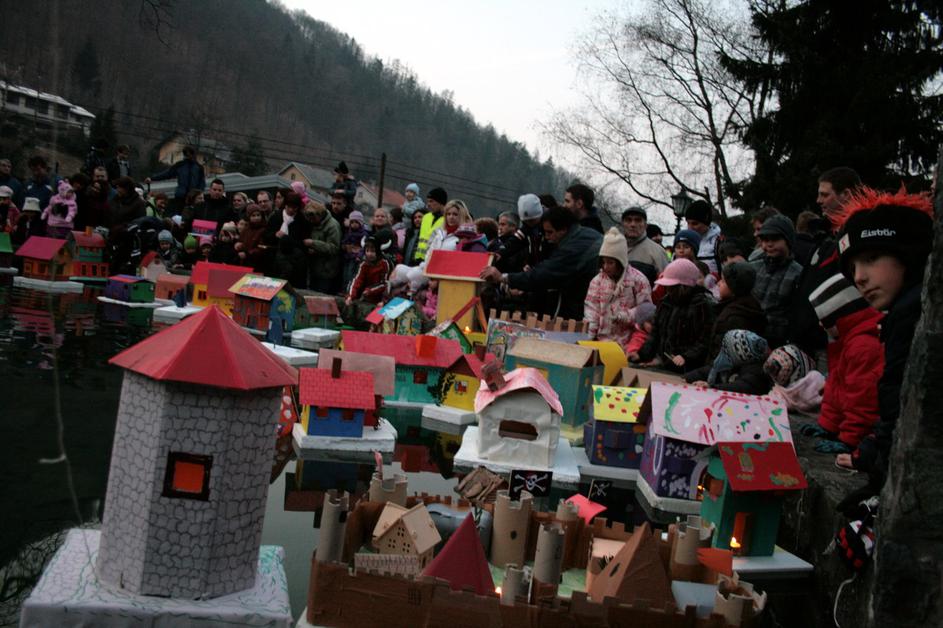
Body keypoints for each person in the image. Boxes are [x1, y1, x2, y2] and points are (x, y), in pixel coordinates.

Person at [832, 187, 934, 492]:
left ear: (907, 255)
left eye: (872, 258)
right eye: (853, 268)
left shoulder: (911, 315)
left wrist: (878, 472)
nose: (859, 277)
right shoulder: (907, 311)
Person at [479, 206, 603, 320]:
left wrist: (503, 277)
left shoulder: (572, 249)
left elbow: (544, 274)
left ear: (563, 230)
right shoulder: (585, 234)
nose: (546, 237)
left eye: (550, 232)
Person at [801, 286, 883, 454]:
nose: (820, 324)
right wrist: (828, 425)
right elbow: (836, 388)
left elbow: (862, 399)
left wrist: (850, 440)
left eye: (824, 318)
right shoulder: (846, 341)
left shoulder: (863, 347)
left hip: (865, 435)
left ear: (838, 317)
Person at [633, 258, 715, 372]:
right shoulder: (665, 303)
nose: (668, 289)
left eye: (673, 286)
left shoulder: (702, 306)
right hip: (666, 364)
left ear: (684, 286)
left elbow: (705, 340)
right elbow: (655, 334)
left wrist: (686, 357)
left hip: (689, 369)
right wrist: (641, 355)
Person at [583, 227, 653, 350]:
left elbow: (646, 311)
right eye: (603, 262)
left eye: (610, 262)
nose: (605, 266)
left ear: (621, 261)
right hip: (601, 343)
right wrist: (588, 340)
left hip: (628, 344)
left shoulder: (639, 280)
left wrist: (624, 316)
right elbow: (591, 312)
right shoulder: (597, 281)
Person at [752, 214, 802, 348]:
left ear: (788, 240)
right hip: (752, 335)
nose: (769, 244)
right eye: (765, 239)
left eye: (775, 239)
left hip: (780, 342)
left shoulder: (798, 273)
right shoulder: (754, 267)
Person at [263, 191, 309, 288]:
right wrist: (275, 235)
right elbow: (266, 236)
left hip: (294, 263)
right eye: (289, 207)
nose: (291, 210)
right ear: (285, 205)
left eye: (294, 208)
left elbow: (304, 242)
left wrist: (288, 241)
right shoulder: (276, 217)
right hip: (275, 261)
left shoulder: (302, 220)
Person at [146, 146, 205, 211]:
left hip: (191, 197)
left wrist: (198, 195)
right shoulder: (181, 165)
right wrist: (152, 178)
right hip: (182, 197)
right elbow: (167, 174)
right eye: (186, 154)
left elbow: (202, 183)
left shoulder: (198, 167)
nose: (188, 156)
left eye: (189, 154)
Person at [621, 206, 669, 280]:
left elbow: (665, 282)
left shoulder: (658, 252)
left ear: (645, 225)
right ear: (623, 224)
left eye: (638, 220)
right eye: (628, 220)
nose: (633, 224)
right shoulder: (613, 248)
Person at [303, 201, 341, 293]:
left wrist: (313, 243)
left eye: (313, 218)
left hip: (326, 271)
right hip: (313, 269)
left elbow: (334, 248)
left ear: (320, 215)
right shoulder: (313, 223)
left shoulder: (332, 226)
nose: (311, 221)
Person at [346, 236, 392, 305]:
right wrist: (350, 296)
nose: (369, 254)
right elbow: (357, 279)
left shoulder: (384, 263)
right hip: (365, 296)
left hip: (380, 298)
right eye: (367, 251)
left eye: (373, 251)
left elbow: (385, 283)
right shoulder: (363, 264)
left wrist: (370, 290)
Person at [684, 199, 723, 272]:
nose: (690, 228)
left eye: (695, 223)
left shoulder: (718, 242)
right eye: (688, 223)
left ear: (706, 222)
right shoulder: (683, 242)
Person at [414, 187, 447, 263]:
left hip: (434, 260)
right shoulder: (426, 217)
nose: (428, 204)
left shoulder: (447, 220)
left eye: (431, 201)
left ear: (441, 202)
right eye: (428, 201)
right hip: (418, 259)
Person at [341, 210, 369, 290]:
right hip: (348, 256)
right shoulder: (349, 232)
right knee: (345, 273)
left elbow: (364, 247)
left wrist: (359, 256)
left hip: (355, 258)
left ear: (360, 223)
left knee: (351, 274)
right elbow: (344, 241)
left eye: (356, 222)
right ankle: (344, 288)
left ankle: (349, 289)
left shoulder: (364, 234)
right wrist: (344, 246)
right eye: (352, 222)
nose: (354, 224)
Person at [236, 203, 268, 271]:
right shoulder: (246, 229)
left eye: (258, 215)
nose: (256, 217)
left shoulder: (264, 230)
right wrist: (238, 245)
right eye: (253, 215)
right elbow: (241, 241)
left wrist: (247, 254)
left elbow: (261, 248)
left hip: (258, 264)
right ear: (249, 217)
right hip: (245, 262)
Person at [517, 193, 546, 266]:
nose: (529, 224)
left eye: (532, 220)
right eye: (526, 221)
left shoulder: (549, 227)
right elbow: (513, 242)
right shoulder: (525, 229)